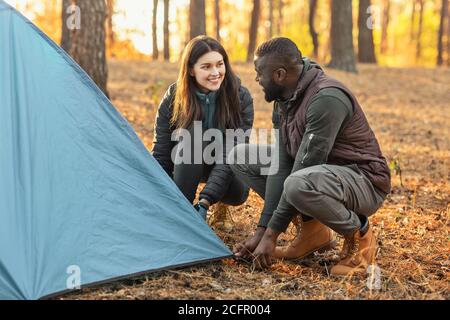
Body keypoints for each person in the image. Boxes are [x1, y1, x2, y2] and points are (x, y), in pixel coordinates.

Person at [229, 37, 390, 276]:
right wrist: (262, 232)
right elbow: (281, 164)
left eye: (258, 73)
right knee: (241, 156)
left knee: (297, 183)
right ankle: (312, 232)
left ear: (280, 74)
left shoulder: (326, 98)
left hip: (364, 181)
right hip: (319, 176)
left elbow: (304, 167)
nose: (256, 80)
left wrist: (273, 235)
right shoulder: (283, 97)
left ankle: (362, 237)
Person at [152, 36, 254, 219]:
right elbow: (161, 152)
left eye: (220, 64)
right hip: (186, 163)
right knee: (192, 137)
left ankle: (218, 205)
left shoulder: (240, 97)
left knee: (237, 191)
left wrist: (205, 200)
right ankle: (184, 212)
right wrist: (163, 199)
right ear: (191, 70)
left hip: (227, 166)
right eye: (206, 67)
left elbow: (232, 151)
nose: (216, 72)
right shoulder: (174, 97)